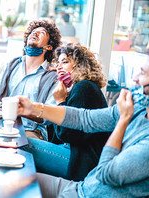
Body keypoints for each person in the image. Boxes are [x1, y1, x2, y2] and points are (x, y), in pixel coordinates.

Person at [17, 58, 149, 197]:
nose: (135, 79)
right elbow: (83, 118)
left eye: (143, 73)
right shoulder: (138, 110)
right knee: (13, 182)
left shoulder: (86, 88)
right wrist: (33, 108)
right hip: (80, 187)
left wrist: (123, 120)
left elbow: (105, 173)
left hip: (84, 193)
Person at [21, 43, 111, 181]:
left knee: (23, 144)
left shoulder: (84, 87)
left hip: (82, 161)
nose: (59, 67)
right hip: (74, 153)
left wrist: (60, 102)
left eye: (65, 61)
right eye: (58, 63)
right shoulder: (80, 88)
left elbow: (68, 135)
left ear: (80, 65)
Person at [0, 20, 61, 140]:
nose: (35, 33)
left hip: (31, 131)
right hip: (3, 124)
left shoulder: (52, 76)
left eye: (42, 33)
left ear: (49, 47)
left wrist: (23, 111)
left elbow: (48, 116)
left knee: (13, 143)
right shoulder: (13, 65)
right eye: (33, 31)